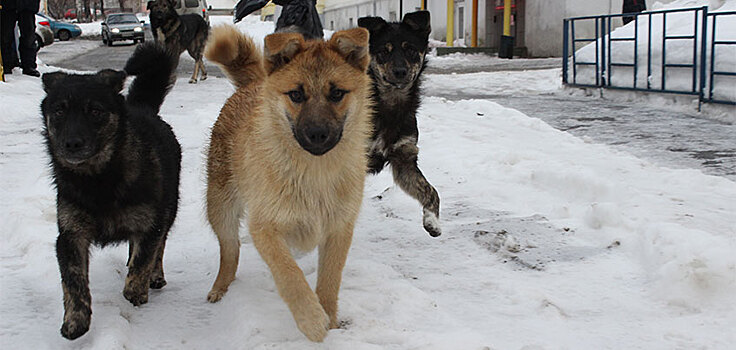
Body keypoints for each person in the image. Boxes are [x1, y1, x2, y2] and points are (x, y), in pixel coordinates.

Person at [1, 0, 41, 76]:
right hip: (8, 6)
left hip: (27, 6)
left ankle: (29, 66)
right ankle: (6, 64)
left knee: (28, 36)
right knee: (5, 37)